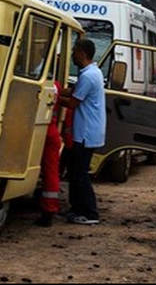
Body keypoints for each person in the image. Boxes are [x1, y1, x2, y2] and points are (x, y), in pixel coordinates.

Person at [58, 38, 106, 225]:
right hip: (87, 132)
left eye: (74, 51)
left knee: (80, 174)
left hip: (86, 133)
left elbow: (73, 102)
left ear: (83, 53)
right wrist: (58, 90)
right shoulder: (92, 72)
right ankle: (77, 208)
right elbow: (73, 92)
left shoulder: (88, 76)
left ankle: (89, 212)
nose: (72, 55)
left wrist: (52, 97)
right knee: (76, 171)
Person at [36, 78, 64, 227]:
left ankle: (48, 209)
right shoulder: (56, 85)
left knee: (50, 173)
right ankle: (48, 209)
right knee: (51, 172)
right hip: (50, 130)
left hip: (43, 130)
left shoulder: (40, 83)